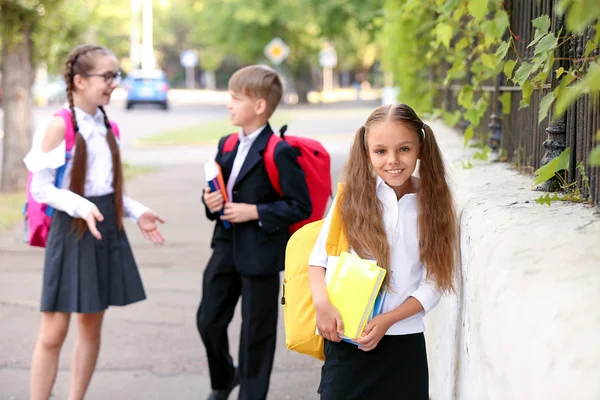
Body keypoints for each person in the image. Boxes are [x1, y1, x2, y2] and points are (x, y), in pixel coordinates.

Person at [24, 44, 165, 400]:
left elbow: (108, 188)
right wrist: (80, 207)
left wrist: (138, 212)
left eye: (115, 76)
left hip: (104, 227)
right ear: (80, 81)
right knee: (53, 332)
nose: (113, 83)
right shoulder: (58, 125)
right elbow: (41, 189)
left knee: (91, 326)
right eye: (107, 76)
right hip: (71, 231)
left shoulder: (108, 125)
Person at [308, 103, 459, 399]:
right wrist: (322, 305)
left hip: (405, 344)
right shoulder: (350, 200)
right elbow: (318, 261)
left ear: (421, 148)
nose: (393, 160)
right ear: (366, 152)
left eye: (404, 149)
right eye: (380, 151)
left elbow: (435, 282)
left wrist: (388, 320)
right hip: (348, 341)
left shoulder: (435, 205)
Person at [198, 65, 311, 400]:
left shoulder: (279, 151)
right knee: (208, 320)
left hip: (261, 252)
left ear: (259, 106)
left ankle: (251, 395)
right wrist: (210, 200)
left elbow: (299, 205)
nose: (229, 104)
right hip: (225, 246)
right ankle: (224, 379)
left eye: (236, 98)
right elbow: (215, 197)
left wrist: (256, 212)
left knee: (256, 334)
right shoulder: (227, 143)